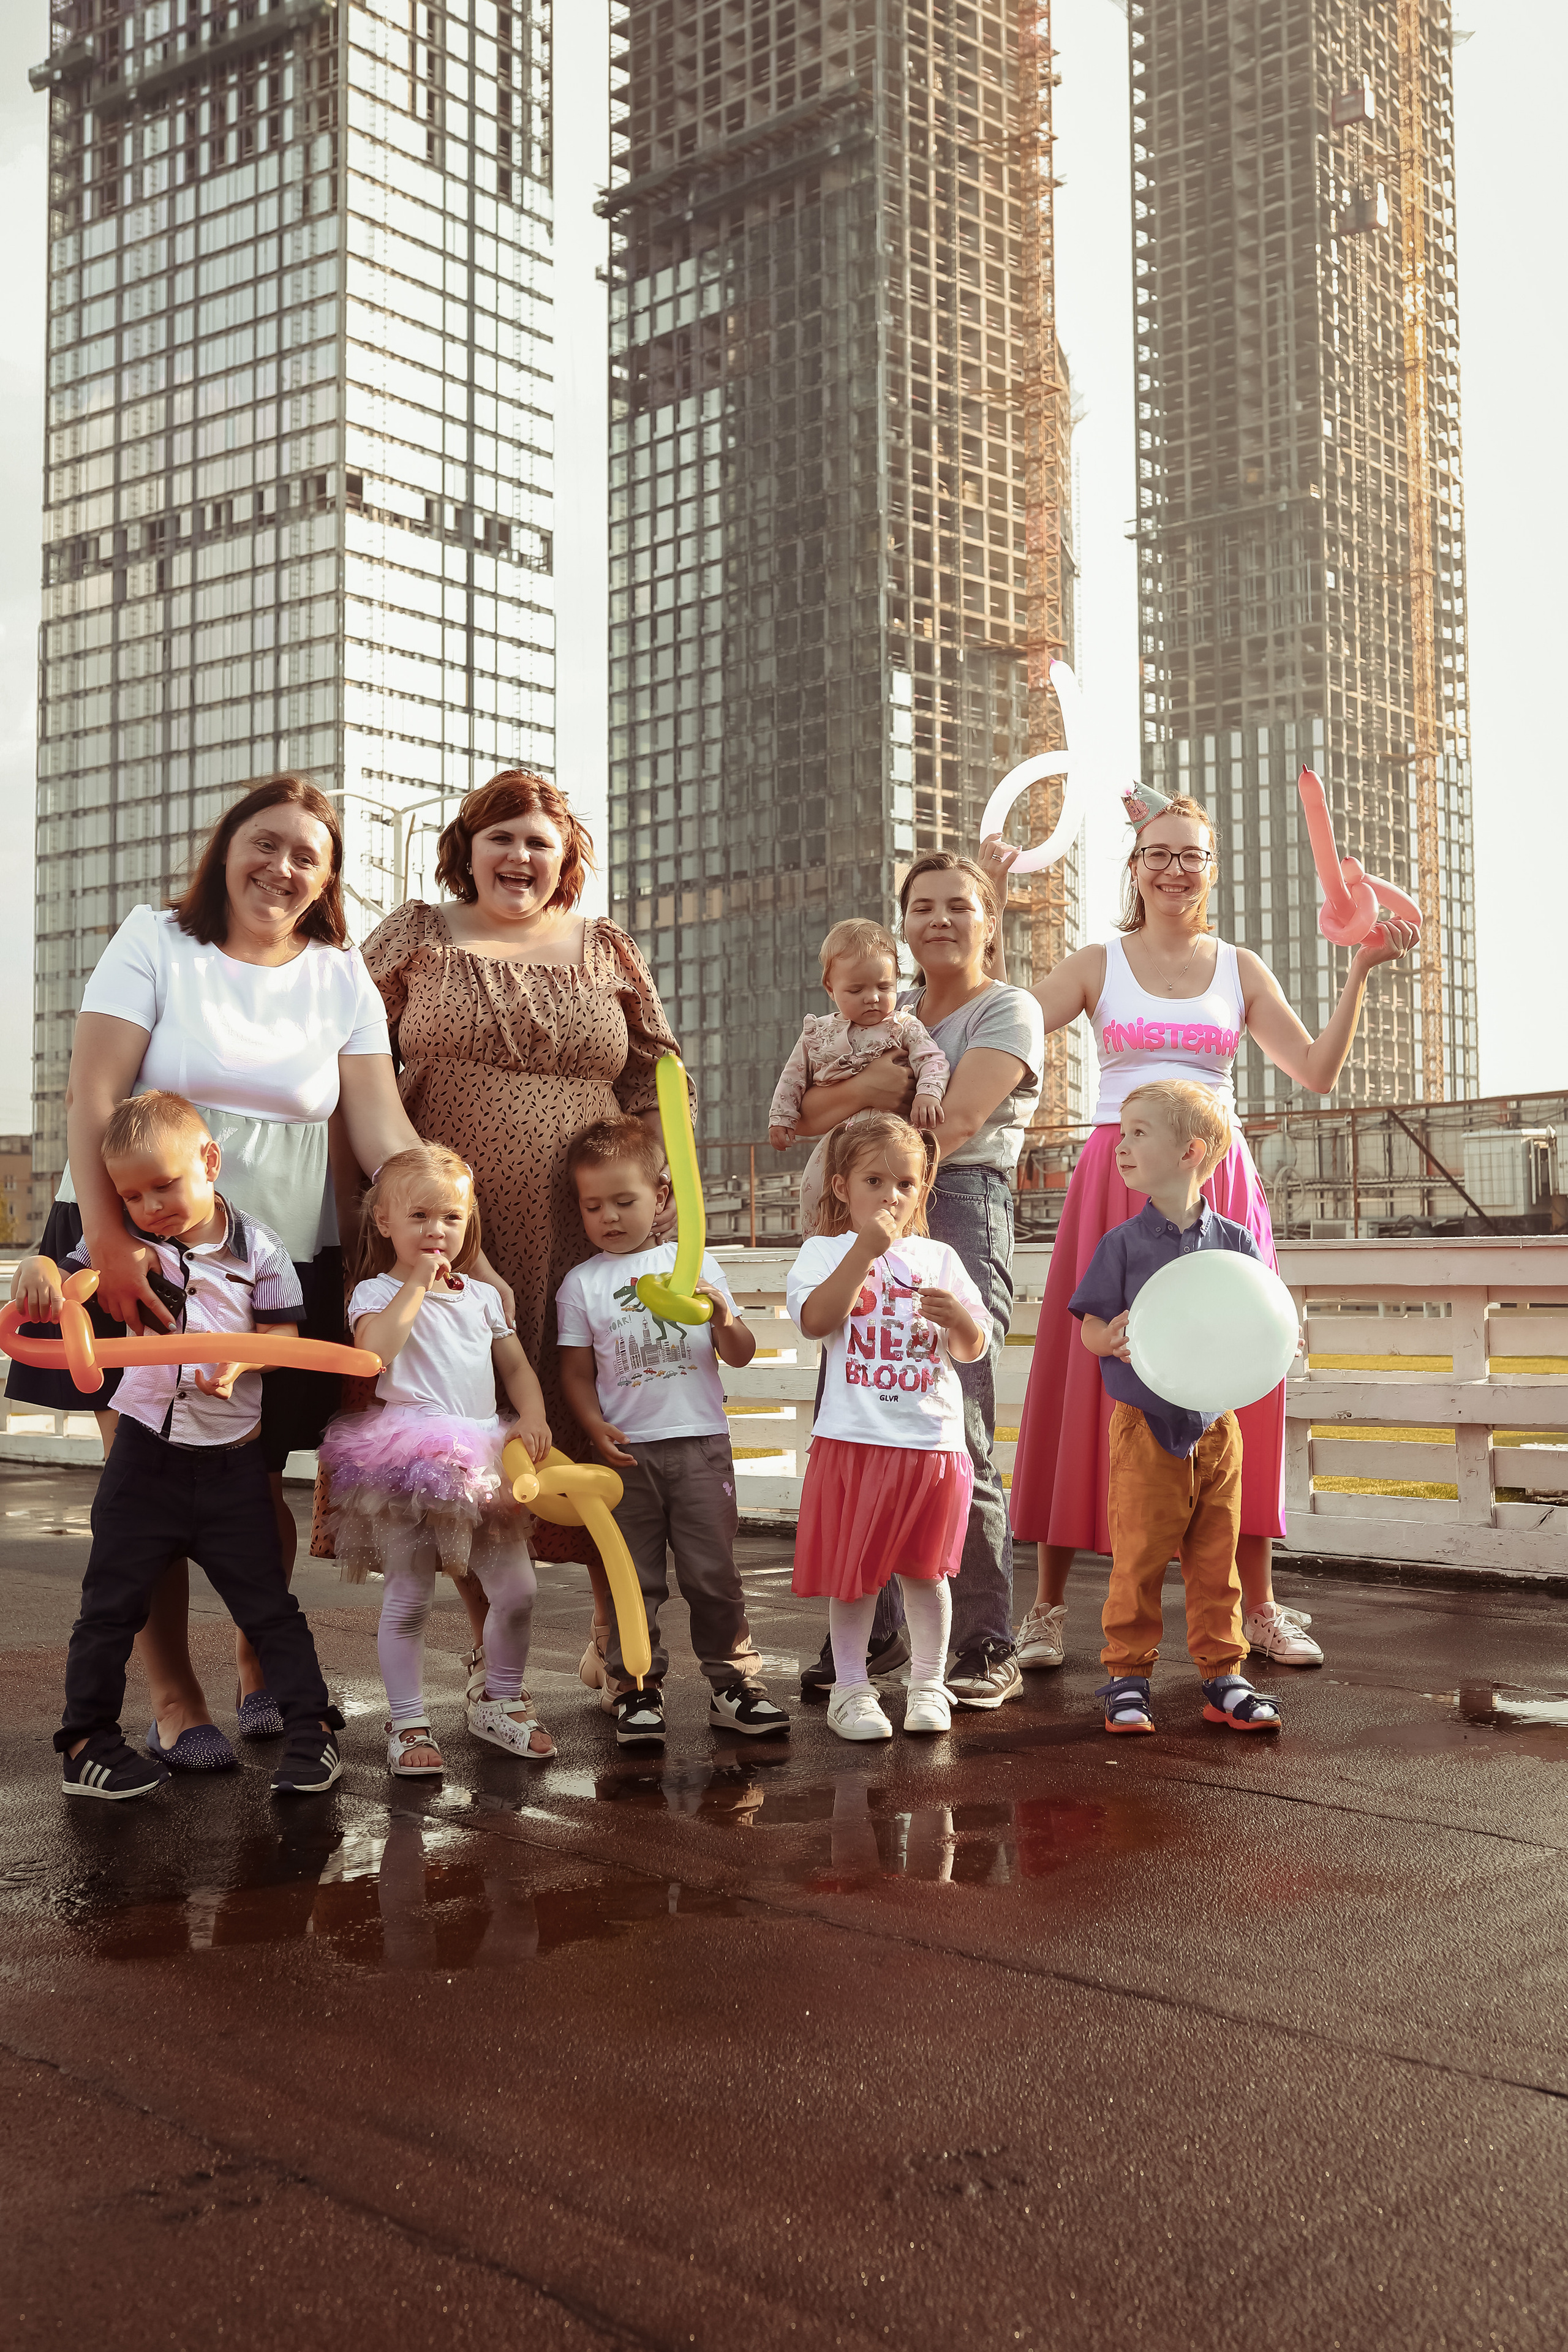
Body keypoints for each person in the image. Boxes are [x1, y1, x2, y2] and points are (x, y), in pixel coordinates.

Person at [7, 777, 441, 1770]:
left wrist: (439, 1213)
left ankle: (260, 1670)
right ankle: (173, 1698)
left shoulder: (338, 974)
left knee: (256, 1487)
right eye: (267, 842)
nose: (281, 867)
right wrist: (109, 1239)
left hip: (280, 1257)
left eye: (307, 856)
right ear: (228, 844)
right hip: (141, 1242)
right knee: (147, 1483)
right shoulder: (156, 938)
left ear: (327, 881)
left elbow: (379, 1126)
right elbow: (93, 1094)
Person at [983, 780, 1417, 1674]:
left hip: (1220, 1183)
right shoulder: (1099, 959)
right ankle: (1049, 1610)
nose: (1175, 869)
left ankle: (1257, 1607)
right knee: (1086, 1371)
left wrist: (1360, 971)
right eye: (1159, 853)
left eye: (1192, 856)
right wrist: (991, 903)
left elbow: (1317, 1072)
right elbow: (1016, 1020)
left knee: (1239, 1376)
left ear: (1209, 872)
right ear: (1134, 868)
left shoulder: (1240, 967)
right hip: (1117, 1173)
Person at [358, 773, 685, 1703]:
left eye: (539, 840)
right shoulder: (418, 933)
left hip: (590, 1224)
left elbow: (656, 1076)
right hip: (447, 1223)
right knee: (468, 1411)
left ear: (565, 856)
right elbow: (351, 1054)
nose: (519, 856)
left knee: (591, 1402)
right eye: (500, 837)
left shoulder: (606, 947)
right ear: (466, 848)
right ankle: (480, 1641)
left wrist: (661, 1200)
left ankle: (613, 1638)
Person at [21, 1092, 345, 1800]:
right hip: (144, 1459)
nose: (150, 1206)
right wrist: (40, 1273)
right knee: (108, 1607)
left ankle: (311, 1732)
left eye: (163, 1185)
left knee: (268, 1608)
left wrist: (245, 1358)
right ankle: (87, 1745)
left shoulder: (259, 1247)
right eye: (131, 1195)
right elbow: (62, 1277)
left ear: (209, 1161)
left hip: (230, 1463)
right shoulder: (127, 1251)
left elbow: (286, 1338)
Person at [792, 856, 1044, 1709]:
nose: (941, 919)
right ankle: (873, 1634)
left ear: (989, 921)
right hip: (860, 1203)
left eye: (960, 907)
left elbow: (959, 1120)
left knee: (952, 1415)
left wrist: (863, 1103)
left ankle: (981, 1640)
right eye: (924, 907)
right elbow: (807, 1121)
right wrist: (863, 1097)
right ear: (903, 925)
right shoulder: (880, 1013)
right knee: (859, 1401)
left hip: (958, 1199)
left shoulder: (1006, 1008)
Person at [320, 1145, 554, 1776]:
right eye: (420, 1216)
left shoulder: (481, 1297)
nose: (437, 1231)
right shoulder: (375, 1291)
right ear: (385, 1224)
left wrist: (531, 1415)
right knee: (410, 1597)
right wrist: (418, 1285)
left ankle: (498, 1699)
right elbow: (376, 1352)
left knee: (517, 1590)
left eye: (451, 1218)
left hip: (480, 1453)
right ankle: (408, 1721)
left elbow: (515, 1368)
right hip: (411, 1457)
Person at [556, 1115, 789, 1748]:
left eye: (624, 1201)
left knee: (713, 1573)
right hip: (628, 1458)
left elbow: (739, 1352)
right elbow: (575, 1371)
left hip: (700, 1446)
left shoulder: (694, 1263)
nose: (608, 1217)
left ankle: (734, 1683)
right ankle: (635, 1688)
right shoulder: (582, 1284)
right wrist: (592, 1424)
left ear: (660, 1195)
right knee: (634, 1579)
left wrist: (720, 1316)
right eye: (593, 1205)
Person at [1069, 1082, 1284, 1737]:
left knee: (1215, 1560)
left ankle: (1223, 1678)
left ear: (1190, 1151)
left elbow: (1257, 1316)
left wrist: (1279, 1336)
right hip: (1144, 1425)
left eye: (1138, 1133)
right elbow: (1090, 1326)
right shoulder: (1123, 1244)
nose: (1121, 1145)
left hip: (1217, 1427)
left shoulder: (1234, 1243)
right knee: (1137, 1556)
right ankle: (1126, 1677)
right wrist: (1106, 1340)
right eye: (1123, 1132)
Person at [786, 1114, 990, 1742]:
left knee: (928, 1574)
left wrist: (958, 1316)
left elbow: (972, 1347)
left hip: (930, 1443)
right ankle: (850, 1689)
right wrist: (862, 1254)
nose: (892, 1196)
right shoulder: (823, 1252)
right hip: (855, 1441)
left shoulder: (940, 1257)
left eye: (906, 1184)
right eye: (875, 1180)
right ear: (843, 1186)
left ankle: (927, 1684)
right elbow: (817, 1321)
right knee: (856, 1575)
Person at [769, 918, 950, 1230]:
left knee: (892, 1214)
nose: (873, 997)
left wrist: (928, 1093)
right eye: (856, 989)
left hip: (890, 1145)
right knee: (822, 1201)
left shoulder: (903, 1026)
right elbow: (793, 1078)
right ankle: (824, 1257)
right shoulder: (817, 1033)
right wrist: (781, 1118)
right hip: (836, 1144)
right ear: (831, 988)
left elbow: (932, 1059)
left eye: (885, 987)